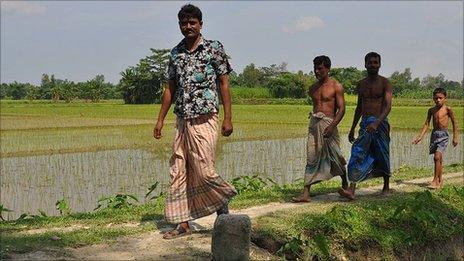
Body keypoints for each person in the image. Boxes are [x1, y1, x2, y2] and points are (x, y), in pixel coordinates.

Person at [153, 4, 237, 239]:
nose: (188, 26)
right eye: (183, 23)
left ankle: (222, 207)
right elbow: (170, 88)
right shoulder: (175, 53)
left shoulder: (214, 48)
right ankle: (183, 223)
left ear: (201, 24)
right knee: (179, 170)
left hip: (205, 117)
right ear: (179, 25)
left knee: (204, 168)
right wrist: (159, 120)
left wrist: (228, 118)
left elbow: (224, 83)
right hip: (182, 118)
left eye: (192, 22)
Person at [292, 55, 348, 203]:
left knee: (335, 155)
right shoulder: (313, 88)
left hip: (329, 123)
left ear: (327, 69)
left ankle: (345, 183)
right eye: (315, 68)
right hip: (314, 124)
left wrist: (332, 126)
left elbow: (342, 109)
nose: (317, 71)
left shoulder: (336, 86)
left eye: (320, 68)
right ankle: (306, 193)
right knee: (311, 157)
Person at [339, 52, 393, 200]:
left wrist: (376, 122)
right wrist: (352, 129)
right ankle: (352, 189)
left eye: (375, 62)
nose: (373, 65)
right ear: (365, 64)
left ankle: (386, 186)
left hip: (379, 124)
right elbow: (359, 107)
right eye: (370, 62)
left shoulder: (385, 83)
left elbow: (388, 107)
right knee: (358, 152)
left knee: (382, 153)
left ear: (380, 64)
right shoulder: (361, 84)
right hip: (365, 125)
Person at [412, 88, 459, 189]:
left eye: (440, 98)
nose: (438, 100)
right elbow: (426, 124)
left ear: (445, 98)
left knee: (437, 157)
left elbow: (455, 122)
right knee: (438, 159)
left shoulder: (448, 109)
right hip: (434, 135)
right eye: (436, 98)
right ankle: (440, 179)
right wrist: (420, 137)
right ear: (433, 98)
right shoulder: (431, 110)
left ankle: (435, 179)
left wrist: (455, 137)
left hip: (443, 135)